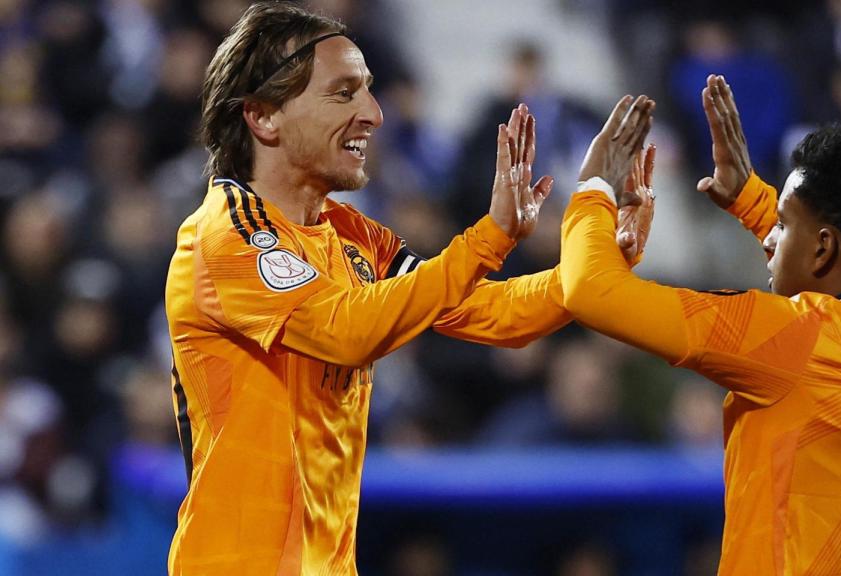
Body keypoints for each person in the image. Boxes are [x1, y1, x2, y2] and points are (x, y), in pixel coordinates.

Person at [165, 3, 652, 575]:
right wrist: (489, 237)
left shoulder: (350, 236)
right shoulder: (227, 234)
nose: (373, 113)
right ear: (264, 116)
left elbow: (492, 315)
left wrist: (598, 258)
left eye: (367, 91)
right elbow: (345, 331)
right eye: (343, 93)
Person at [560, 78, 841, 575]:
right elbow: (827, 271)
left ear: (823, 246)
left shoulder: (790, 337)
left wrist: (594, 188)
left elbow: (589, 290)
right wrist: (751, 199)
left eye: (783, 222)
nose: (772, 237)